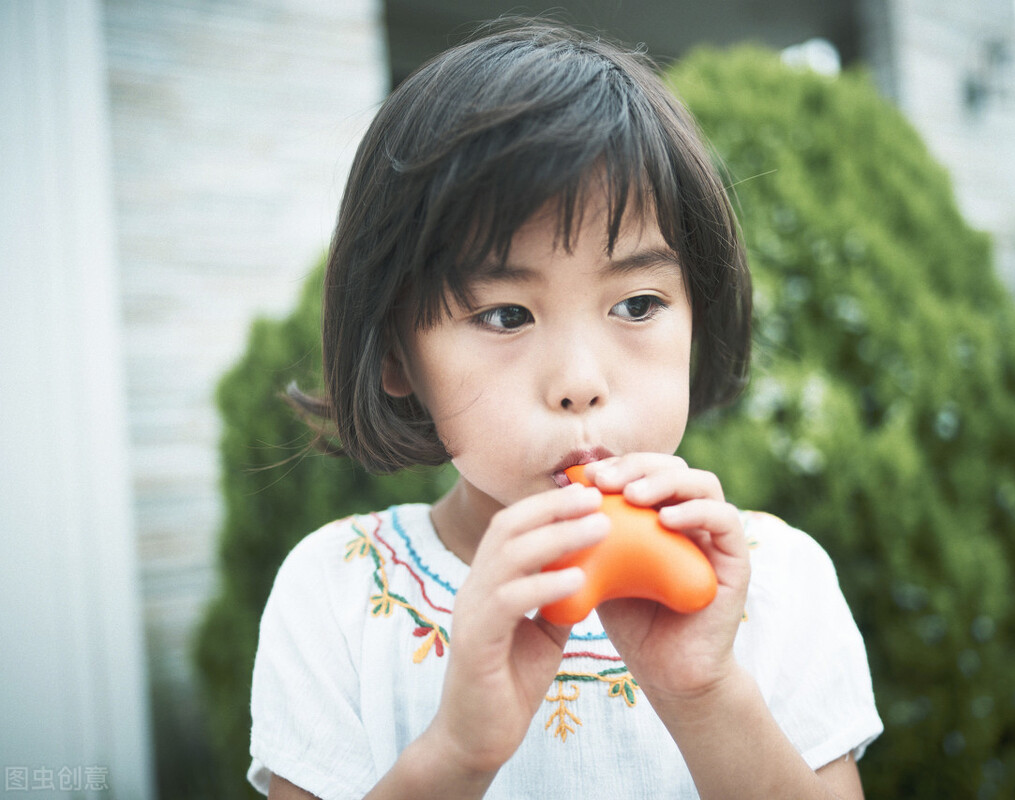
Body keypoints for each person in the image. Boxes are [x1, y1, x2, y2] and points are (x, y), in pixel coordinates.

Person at [247, 19, 882, 800]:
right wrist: (455, 755)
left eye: (639, 303)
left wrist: (705, 695)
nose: (580, 382)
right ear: (395, 355)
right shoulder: (339, 594)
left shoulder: (776, 586)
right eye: (507, 315)